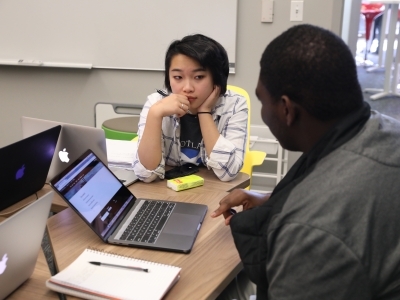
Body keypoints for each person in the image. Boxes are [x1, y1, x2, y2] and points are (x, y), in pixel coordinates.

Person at [212, 24, 400, 299]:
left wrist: (297, 214)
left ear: (286, 109)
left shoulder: (310, 232)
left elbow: (325, 219)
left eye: (262, 101)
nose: (262, 111)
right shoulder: (384, 130)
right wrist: (274, 201)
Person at [132, 34, 248, 183]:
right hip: (167, 193)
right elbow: (145, 175)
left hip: (213, 192)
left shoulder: (234, 104)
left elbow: (228, 172)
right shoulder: (156, 103)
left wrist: (204, 111)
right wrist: (155, 114)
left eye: (199, 77)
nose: (187, 88)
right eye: (178, 77)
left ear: (217, 77)